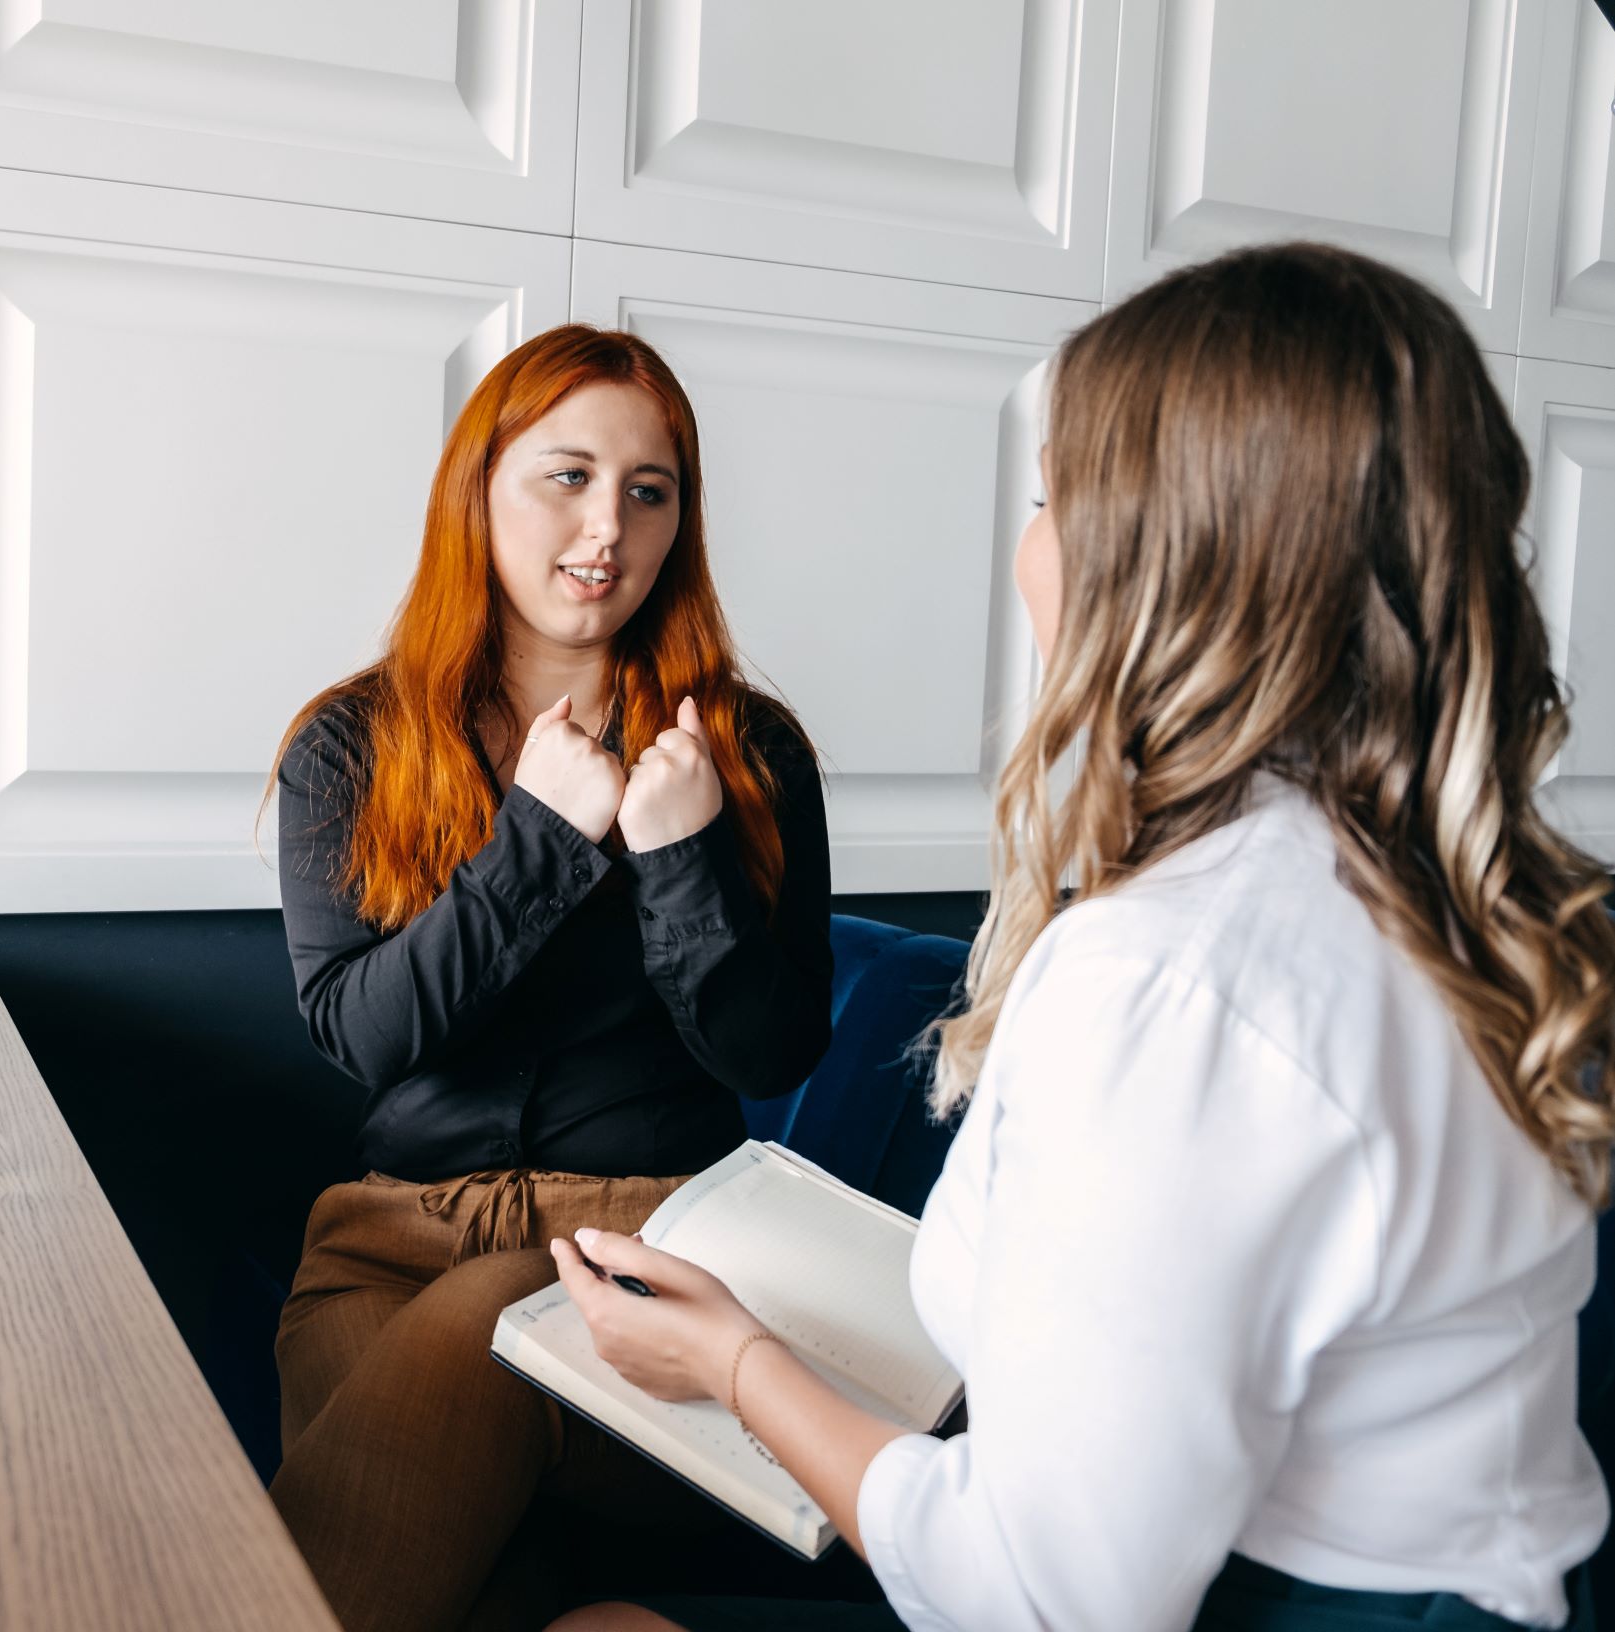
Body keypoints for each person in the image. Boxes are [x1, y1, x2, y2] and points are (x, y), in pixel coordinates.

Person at [547, 242, 1615, 1631]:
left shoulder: (1175, 978)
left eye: (1049, 499)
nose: (1024, 551)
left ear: (1162, 567)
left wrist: (733, 1360)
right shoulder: (1452, 901)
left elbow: (1041, 1600)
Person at [264, 324, 837, 1632]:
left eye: (650, 490)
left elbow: (766, 1057)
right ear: (479, 491)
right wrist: (535, 840)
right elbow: (361, 1034)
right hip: (388, 1244)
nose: (608, 526)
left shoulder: (747, 750)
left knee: (469, 1354)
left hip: (650, 1250)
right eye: (566, 476)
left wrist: (679, 851)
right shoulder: (351, 742)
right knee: (466, 1573)